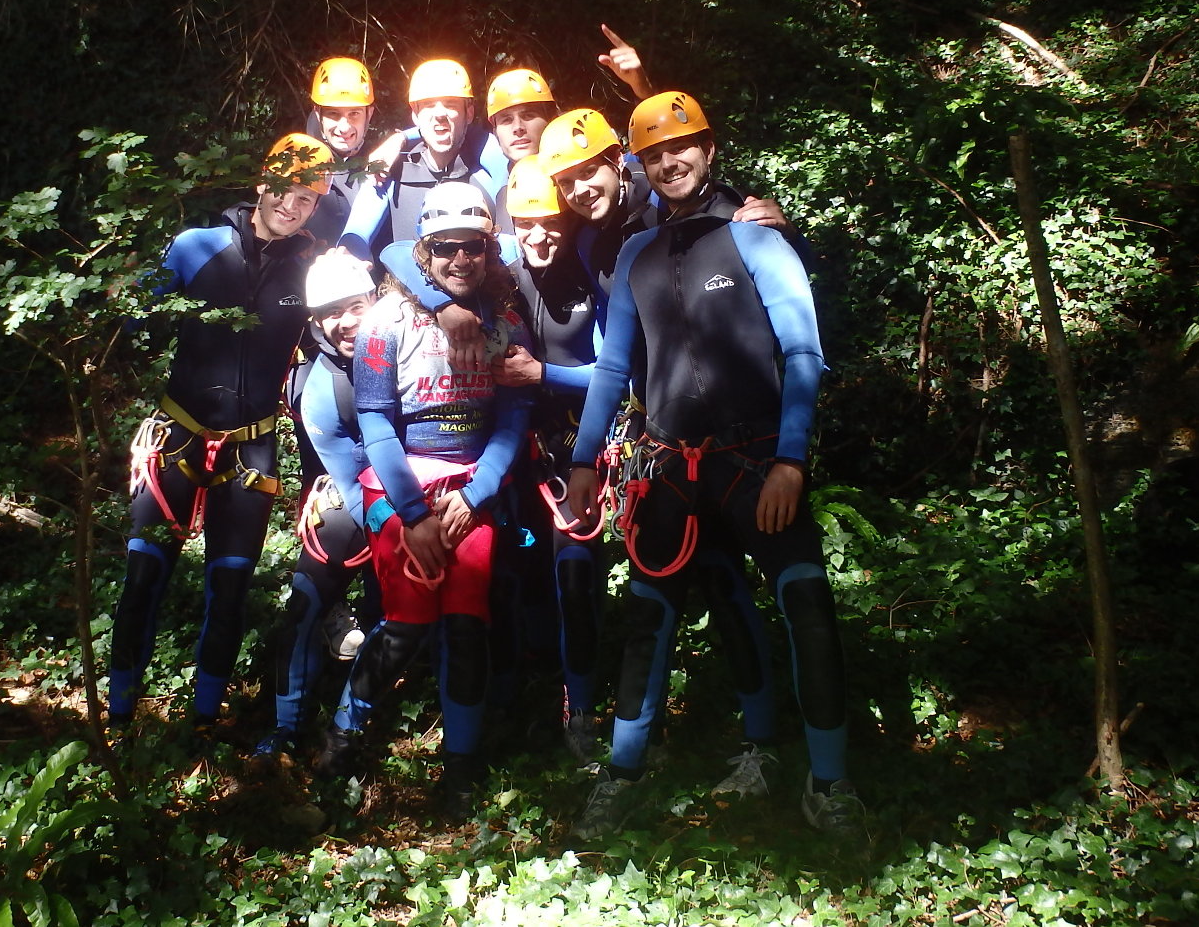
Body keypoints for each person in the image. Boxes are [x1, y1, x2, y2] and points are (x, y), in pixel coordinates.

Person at [563, 91, 865, 843]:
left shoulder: (756, 239)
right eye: (656, 152)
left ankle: (829, 784)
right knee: (650, 618)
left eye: (684, 146)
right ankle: (624, 773)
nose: (671, 161)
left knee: (807, 610)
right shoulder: (634, 254)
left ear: (709, 148)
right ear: (640, 162)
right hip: (668, 465)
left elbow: (802, 352)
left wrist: (791, 461)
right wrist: (583, 464)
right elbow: (611, 369)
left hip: (756, 459)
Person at [314, 181, 531, 820]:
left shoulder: (508, 324)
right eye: (445, 250)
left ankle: (459, 768)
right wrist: (411, 514)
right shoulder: (386, 321)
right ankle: (344, 736)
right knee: (407, 625)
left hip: (472, 487)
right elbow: (376, 420)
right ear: (426, 254)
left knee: (467, 627)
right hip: (404, 484)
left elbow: (513, 421)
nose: (460, 261)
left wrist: (479, 491)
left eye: (473, 249)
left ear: (490, 253)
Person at [107, 133, 331, 740]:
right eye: (286, 188)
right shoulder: (194, 247)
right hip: (174, 437)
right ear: (262, 182)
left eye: (310, 199)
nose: (293, 205)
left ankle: (204, 722)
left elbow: (337, 341)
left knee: (229, 589)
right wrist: (119, 297)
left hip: (252, 447)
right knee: (142, 579)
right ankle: (120, 718)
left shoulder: (312, 269)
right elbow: (135, 327)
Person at [489, 154, 607, 764]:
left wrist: (545, 373)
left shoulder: (593, 268)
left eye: (550, 222)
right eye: (526, 223)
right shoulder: (503, 275)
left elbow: (619, 371)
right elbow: (411, 264)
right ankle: (526, 697)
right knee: (520, 574)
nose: (539, 236)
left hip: (582, 453)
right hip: (519, 453)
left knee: (576, 576)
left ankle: (581, 707)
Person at [260, 250, 381, 758]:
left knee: (390, 618)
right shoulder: (316, 386)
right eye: (332, 312)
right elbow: (350, 481)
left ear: (376, 301)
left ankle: (349, 724)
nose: (347, 321)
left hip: (416, 501)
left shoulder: (413, 350)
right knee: (304, 606)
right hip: (354, 506)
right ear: (315, 323)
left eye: (356, 306)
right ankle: (286, 727)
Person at [341, 60, 503, 263]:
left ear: (469, 112)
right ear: (415, 115)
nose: (439, 115)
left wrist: (402, 137)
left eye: (450, 105)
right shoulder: (393, 169)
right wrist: (346, 261)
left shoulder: (488, 164)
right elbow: (355, 235)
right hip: (405, 293)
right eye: (428, 106)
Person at [304, 56, 375, 245]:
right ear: (317, 113)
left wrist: (402, 138)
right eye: (333, 114)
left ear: (370, 114)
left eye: (354, 114)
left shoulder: (381, 164)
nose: (344, 127)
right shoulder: (294, 167)